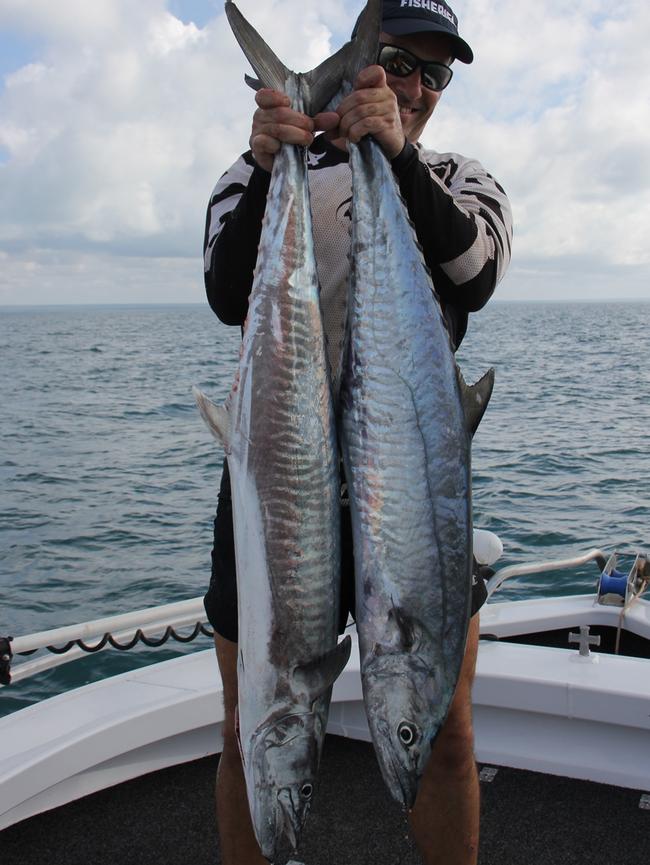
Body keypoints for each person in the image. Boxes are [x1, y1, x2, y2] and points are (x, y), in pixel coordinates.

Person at [202, 1, 513, 862]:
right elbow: (228, 294)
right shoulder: (261, 164)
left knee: (445, 732)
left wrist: (397, 158)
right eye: (398, 62)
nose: (411, 86)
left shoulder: (460, 178)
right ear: (368, 58)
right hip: (281, 481)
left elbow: (475, 274)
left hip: (410, 483)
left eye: (432, 73)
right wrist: (277, 162)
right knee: (247, 725)